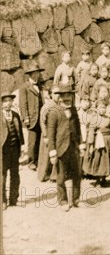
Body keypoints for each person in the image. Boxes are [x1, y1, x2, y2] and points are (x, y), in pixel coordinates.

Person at [47, 83, 85, 211]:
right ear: (60, 97)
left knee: (76, 173)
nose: (67, 98)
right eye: (64, 95)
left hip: (73, 147)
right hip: (60, 148)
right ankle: (62, 200)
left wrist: (81, 144)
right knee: (61, 175)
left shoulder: (73, 110)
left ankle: (75, 199)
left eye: (69, 95)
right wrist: (52, 151)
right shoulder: (54, 112)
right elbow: (51, 133)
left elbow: (78, 129)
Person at [19, 59, 45, 170]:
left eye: (38, 73)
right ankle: (31, 161)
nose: (36, 75)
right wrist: (26, 118)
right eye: (34, 73)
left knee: (40, 139)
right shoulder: (24, 87)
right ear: (30, 75)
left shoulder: (40, 86)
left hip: (40, 117)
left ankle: (38, 161)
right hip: (32, 118)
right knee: (32, 141)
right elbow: (23, 104)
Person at [2, 91, 24, 210]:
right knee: (2, 175)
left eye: (9, 101)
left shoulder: (15, 115)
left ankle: (13, 199)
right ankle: (3, 200)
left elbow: (19, 131)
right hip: (3, 150)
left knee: (15, 174)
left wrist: (22, 145)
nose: (8, 103)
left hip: (15, 148)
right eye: (5, 101)